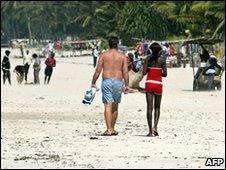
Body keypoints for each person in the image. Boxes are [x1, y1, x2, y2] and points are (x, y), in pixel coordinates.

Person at [91, 36, 131, 136]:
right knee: (115, 106)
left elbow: (98, 70)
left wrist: (93, 82)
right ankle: (112, 128)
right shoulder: (122, 56)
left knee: (108, 105)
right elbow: (125, 72)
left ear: (109, 44)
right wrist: (127, 85)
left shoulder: (104, 55)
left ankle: (109, 129)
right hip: (118, 81)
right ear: (117, 44)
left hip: (107, 81)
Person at [143, 42, 167, 137]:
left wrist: (151, 71)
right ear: (160, 50)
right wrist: (158, 73)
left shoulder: (147, 59)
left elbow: (144, 72)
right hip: (158, 84)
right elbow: (165, 74)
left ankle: (149, 131)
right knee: (157, 107)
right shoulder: (162, 60)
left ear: (150, 50)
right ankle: (155, 127)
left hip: (149, 83)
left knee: (149, 108)